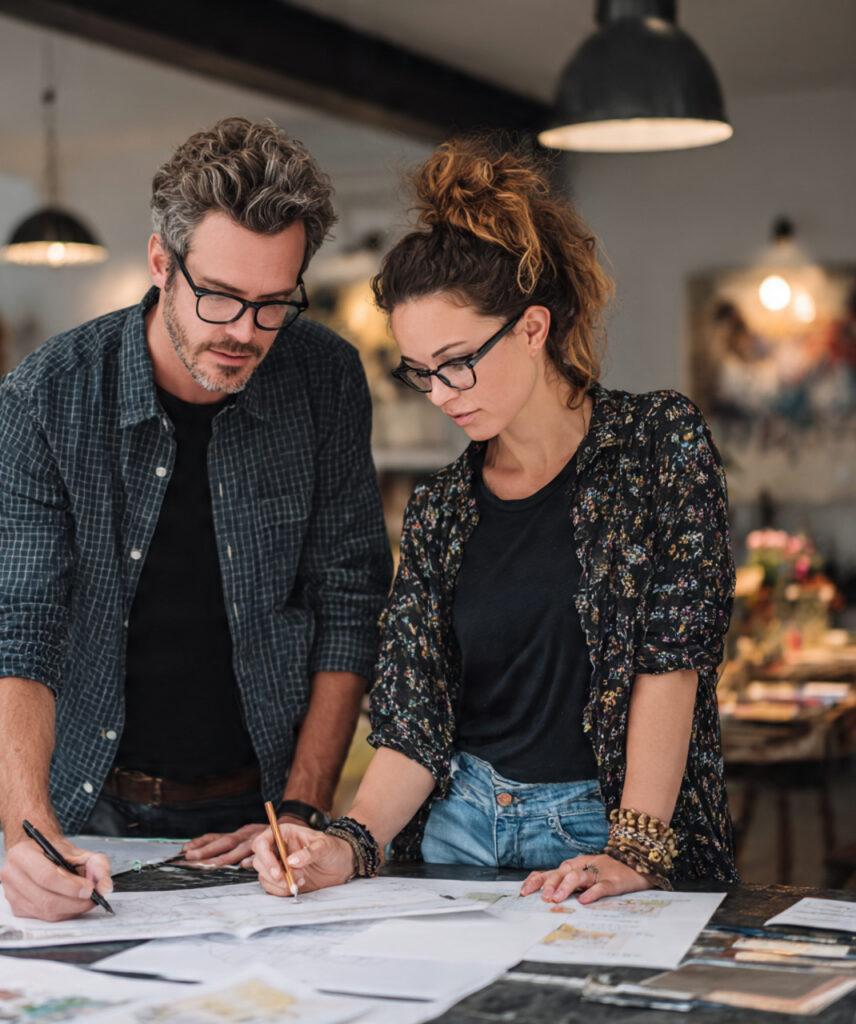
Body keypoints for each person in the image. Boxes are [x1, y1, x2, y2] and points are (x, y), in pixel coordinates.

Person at [254, 138, 737, 902]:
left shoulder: (657, 445)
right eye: (420, 373)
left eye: (458, 360)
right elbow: (414, 719)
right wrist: (349, 845)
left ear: (533, 327)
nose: (442, 393)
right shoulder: (442, 507)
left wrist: (636, 848)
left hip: (598, 832)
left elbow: (670, 661)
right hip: (457, 826)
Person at [0, 117, 393, 920]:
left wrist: (299, 809)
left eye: (272, 305)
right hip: (81, 810)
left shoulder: (323, 379)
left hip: (258, 812)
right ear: (162, 262)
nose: (243, 333)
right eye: (220, 297)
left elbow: (349, 606)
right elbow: (13, 630)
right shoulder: (46, 398)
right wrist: (30, 836)